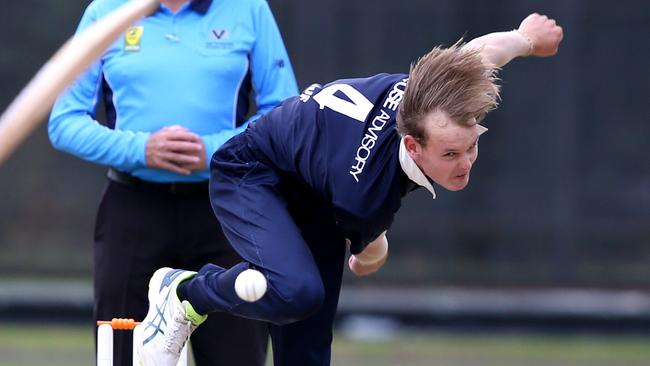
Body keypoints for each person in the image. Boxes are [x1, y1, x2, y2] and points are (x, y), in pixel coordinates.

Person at [136, 12, 564, 366]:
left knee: (307, 352)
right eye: (450, 155)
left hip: (317, 191)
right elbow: (369, 245)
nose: (466, 163)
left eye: (472, 146)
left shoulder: (438, 94)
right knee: (296, 293)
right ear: (412, 145)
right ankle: (183, 293)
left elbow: (484, 52)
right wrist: (372, 250)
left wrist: (526, 37)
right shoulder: (365, 195)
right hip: (252, 172)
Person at [48, 0, 298, 365]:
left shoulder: (248, 9)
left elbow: (286, 112)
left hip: (226, 211)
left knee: (238, 355)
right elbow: (64, 122)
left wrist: (216, 150)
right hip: (132, 213)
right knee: (123, 356)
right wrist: (142, 149)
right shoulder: (105, 11)